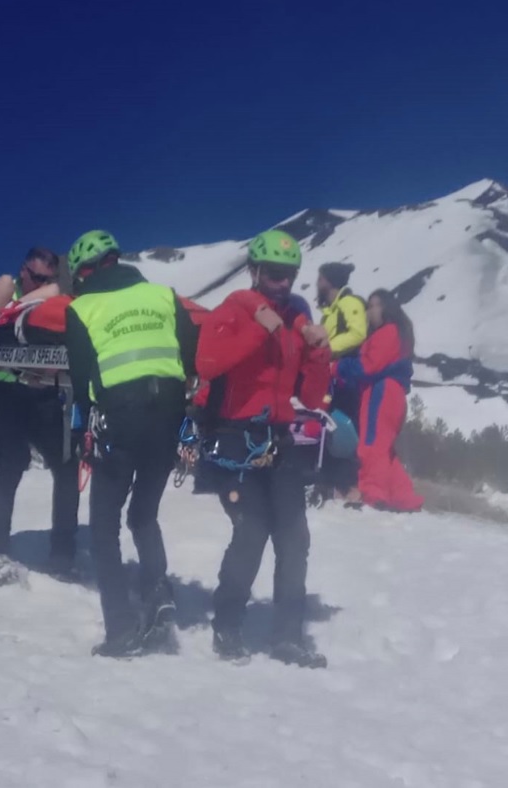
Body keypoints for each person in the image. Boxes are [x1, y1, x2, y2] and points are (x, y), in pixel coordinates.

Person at [193, 229, 332, 668]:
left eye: (290, 275)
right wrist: (258, 330)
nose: (283, 283)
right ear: (254, 271)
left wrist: (317, 355)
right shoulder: (234, 308)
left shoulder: (295, 317)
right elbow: (207, 363)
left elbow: (310, 398)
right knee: (251, 532)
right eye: (274, 274)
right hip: (236, 439)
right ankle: (228, 624)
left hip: (280, 436)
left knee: (294, 537)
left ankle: (288, 635)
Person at [64, 230, 198, 658]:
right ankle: (157, 593)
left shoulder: (81, 308)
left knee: (104, 528)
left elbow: (82, 381)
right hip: (168, 420)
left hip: (119, 422)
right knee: (143, 516)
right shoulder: (163, 295)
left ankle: (120, 629)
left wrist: (82, 435)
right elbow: (191, 354)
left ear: (83, 271)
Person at [0, 248, 80, 585]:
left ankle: (63, 552)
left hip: (40, 395)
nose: (42, 284)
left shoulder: (52, 304)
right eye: (38, 277)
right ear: (24, 272)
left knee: (66, 464)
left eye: (49, 279)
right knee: (11, 464)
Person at [334, 289, 424, 513]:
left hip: (381, 393)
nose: (369, 311)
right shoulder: (400, 335)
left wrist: (337, 367)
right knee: (386, 450)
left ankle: (371, 495)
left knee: (372, 444)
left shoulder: (387, 332)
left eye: (374, 305)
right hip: (394, 396)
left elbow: (367, 366)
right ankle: (404, 498)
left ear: (386, 308)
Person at [315, 262, 368, 503]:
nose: (317, 283)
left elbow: (358, 333)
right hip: (332, 376)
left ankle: (348, 485)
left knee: (345, 427)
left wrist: (327, 350)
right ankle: (330, 482)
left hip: (346, 377)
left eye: (320, 278)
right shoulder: (331, 311)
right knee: (329, 426)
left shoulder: (350, 303)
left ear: (329, 281)